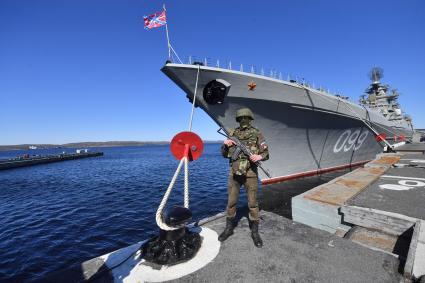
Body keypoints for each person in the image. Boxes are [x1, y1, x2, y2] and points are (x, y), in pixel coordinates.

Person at [218, 107, 269, 247]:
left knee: (253, 203)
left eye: (246, 118)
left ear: (250, 119)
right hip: (234, 173)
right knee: (231, 202)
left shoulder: (257, 133)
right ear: (238, 120)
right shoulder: (233, 133)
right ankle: (229, 229)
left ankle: (255, 232)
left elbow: (266, 153)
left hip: (250, 174)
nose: (243, 120)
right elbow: (224, 155)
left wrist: (259, 156)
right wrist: (225, 146)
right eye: (241, 118)